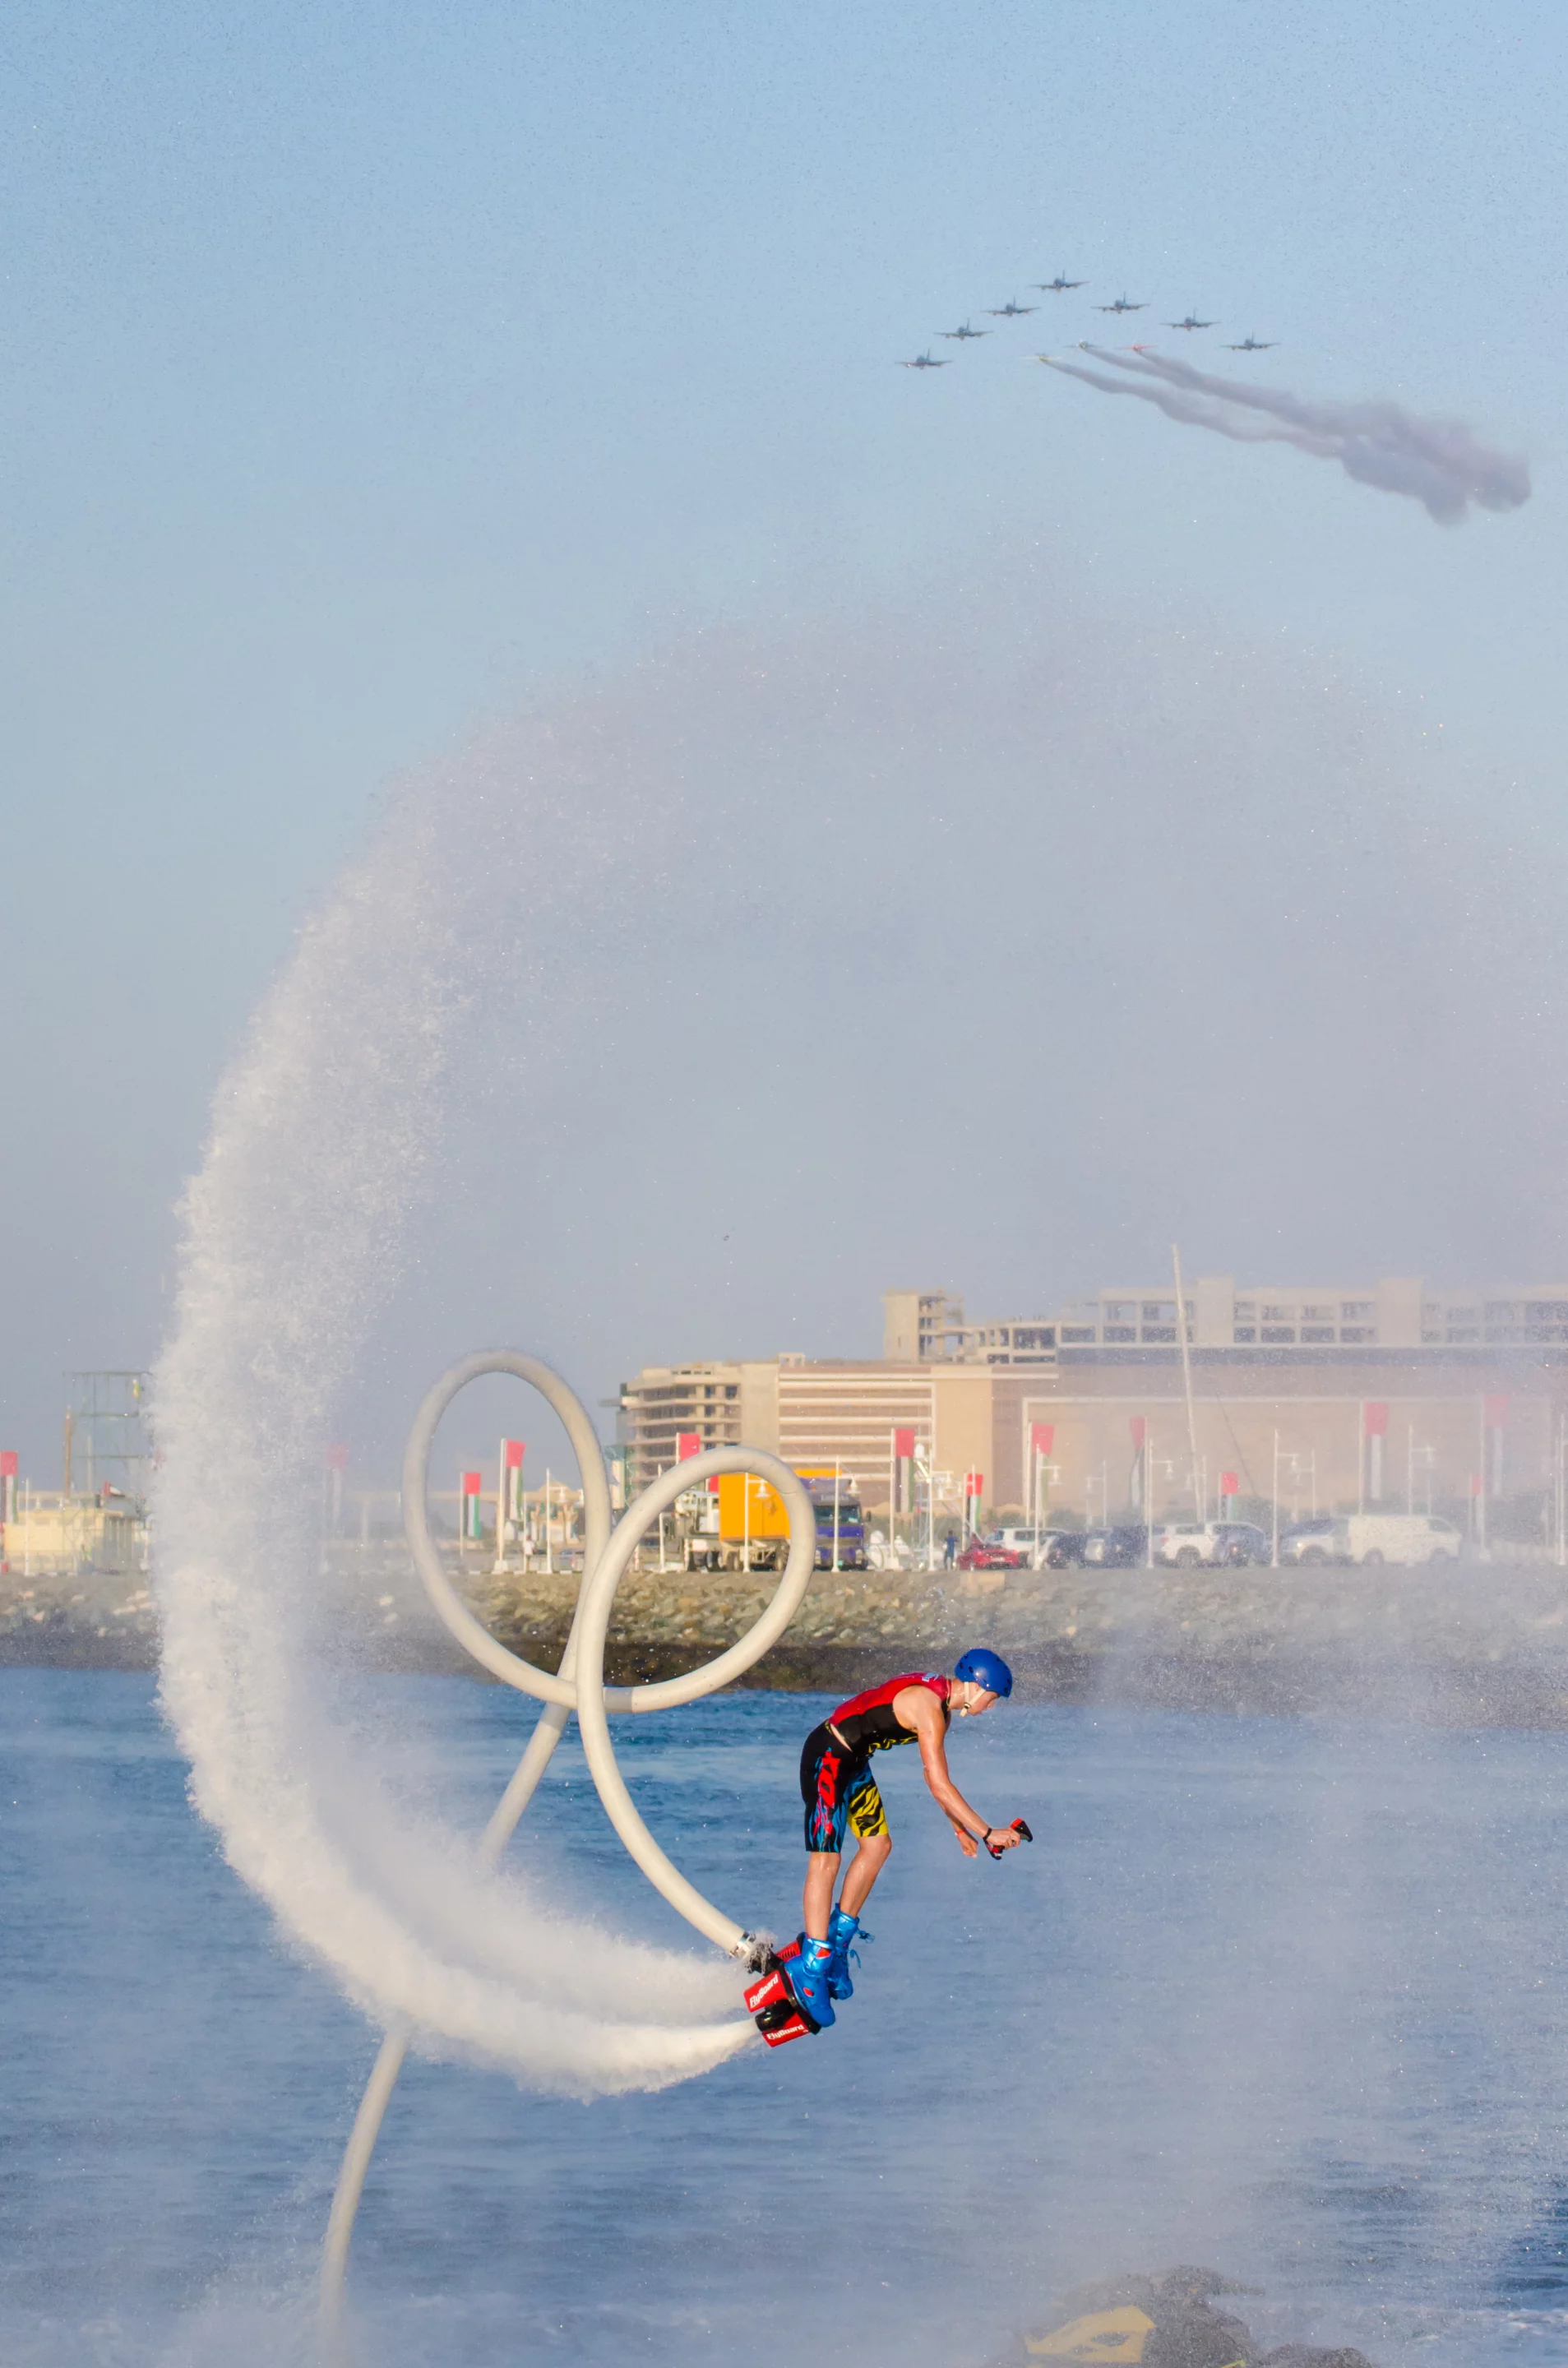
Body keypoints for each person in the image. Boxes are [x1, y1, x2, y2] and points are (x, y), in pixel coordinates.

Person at [787, 1648, 1021, 2027]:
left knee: (878, 1846)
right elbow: (943, 1784)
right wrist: (987, 1832)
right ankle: (812, 1968)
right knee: (827, 1859)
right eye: (993, 1699)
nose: (991, 1708)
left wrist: (958, 1828)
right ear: (978, 1687)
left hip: (854, 1763)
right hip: (828, 1757)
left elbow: (933, 1779)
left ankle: (837, 1944)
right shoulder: (929, 1708)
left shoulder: (940, 1707)